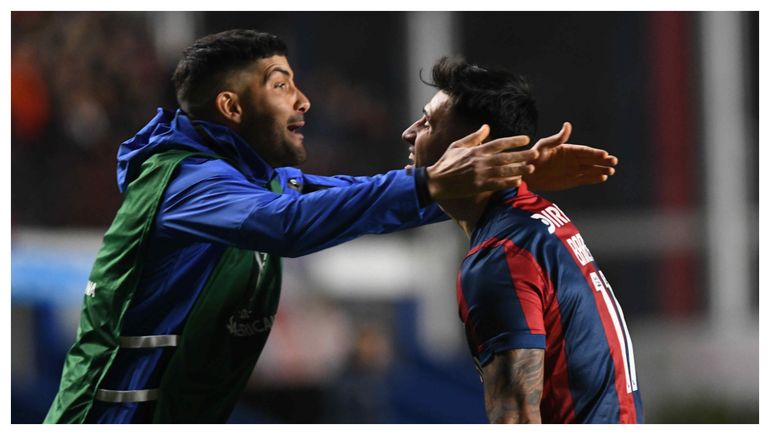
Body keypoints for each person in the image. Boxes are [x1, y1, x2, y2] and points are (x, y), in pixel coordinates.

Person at [44, 30, 617, 424]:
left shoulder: (249, 180)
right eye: (280, 84)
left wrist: (507, 168)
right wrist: (435, 183)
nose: (305, 99)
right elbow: (291, 223)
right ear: (231, 107)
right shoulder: (186, 184)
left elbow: (351, 197)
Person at [401, 56, 643, 423]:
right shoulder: (537, 217)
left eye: (429, 122)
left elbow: (515, 417)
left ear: (473, 148)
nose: (410, 131)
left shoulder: (500, 257)